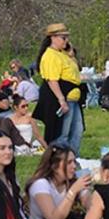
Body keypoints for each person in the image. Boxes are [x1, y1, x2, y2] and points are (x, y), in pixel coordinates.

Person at [33, 22, 83, 152]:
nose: (66, 41)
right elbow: (52, 80)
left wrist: (71, 54)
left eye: (67, 38)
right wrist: (61, 100)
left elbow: (76, 69)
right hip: (62, 97)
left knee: (77, 129)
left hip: (73, 96)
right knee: (62, 132)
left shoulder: (63, 54)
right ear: (53, 38)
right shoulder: (50, 55)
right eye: (63, 38)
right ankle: (58, 159)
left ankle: (72, 157)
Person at [25, 142, 93, 219]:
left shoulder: (71, 180)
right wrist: (72, 191)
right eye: (69, 162)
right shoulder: (41, 184)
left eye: (74, 161)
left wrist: (90, 201)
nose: (74, 166)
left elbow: (87, 200)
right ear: (55, 166)